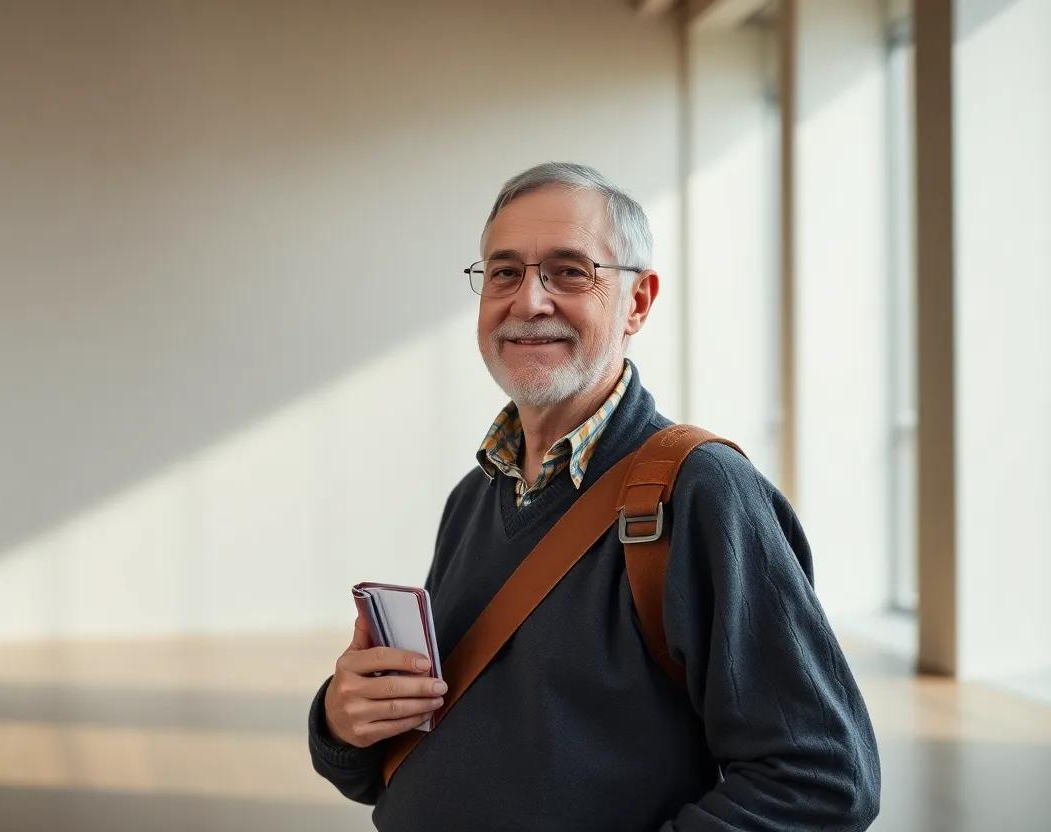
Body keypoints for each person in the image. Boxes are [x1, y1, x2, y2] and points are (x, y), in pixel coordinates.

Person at [306, 162, 881, 830]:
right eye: (504, 272)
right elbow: (424, 744)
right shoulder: (478, 494)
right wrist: (342, 721)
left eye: (569, 271)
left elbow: (820, 778)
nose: (528, 302)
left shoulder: (702, 492)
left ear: (637, 302)